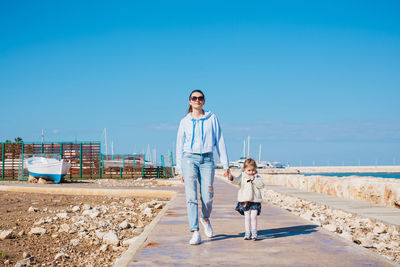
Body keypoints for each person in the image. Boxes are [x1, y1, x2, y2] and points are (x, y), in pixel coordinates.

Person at [176, 89, 231, 245]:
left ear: (204, 101)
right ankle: (195, 232)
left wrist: (225, 164)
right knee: (191, 197)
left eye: (200, 98)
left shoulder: (212, 119)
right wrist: (179, 168)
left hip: (207, 159)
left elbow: (220, 140)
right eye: (194, 98)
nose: (197, 100)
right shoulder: (184, 121)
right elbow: (179, 145)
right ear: (190, 101)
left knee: (207, 196)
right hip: (189, 159)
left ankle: (205, 218)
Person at [229, 158, 264, 240]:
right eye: (249, 170)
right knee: (247, 217)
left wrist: (254, 179)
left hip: (255, 200)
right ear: (244, 169)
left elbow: (261, 185)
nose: (251, 172)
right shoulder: (242, 176)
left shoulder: (257, 177)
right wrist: (231, 178)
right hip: (245, 200)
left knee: (254, 216)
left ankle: (254, 232)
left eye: (253, 170)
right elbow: (236, 181)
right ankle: (247, 232)